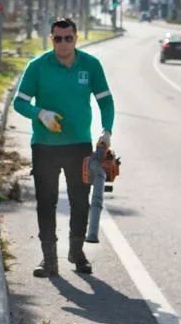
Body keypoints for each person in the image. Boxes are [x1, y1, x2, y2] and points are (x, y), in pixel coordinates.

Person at [12, 16, 115, 277]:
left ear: (76, 38)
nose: (63, 43)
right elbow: (19, 102)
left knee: (80, 201)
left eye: (68, 38)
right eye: (58, 39)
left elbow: (106, 101)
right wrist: (40, 113)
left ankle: (76, 252)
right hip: (44, 146)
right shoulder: (37, 66)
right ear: (51, 39)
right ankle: (49, 259)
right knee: (46, 202)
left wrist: (106, 130)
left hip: (79, 145)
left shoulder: (90, 65)